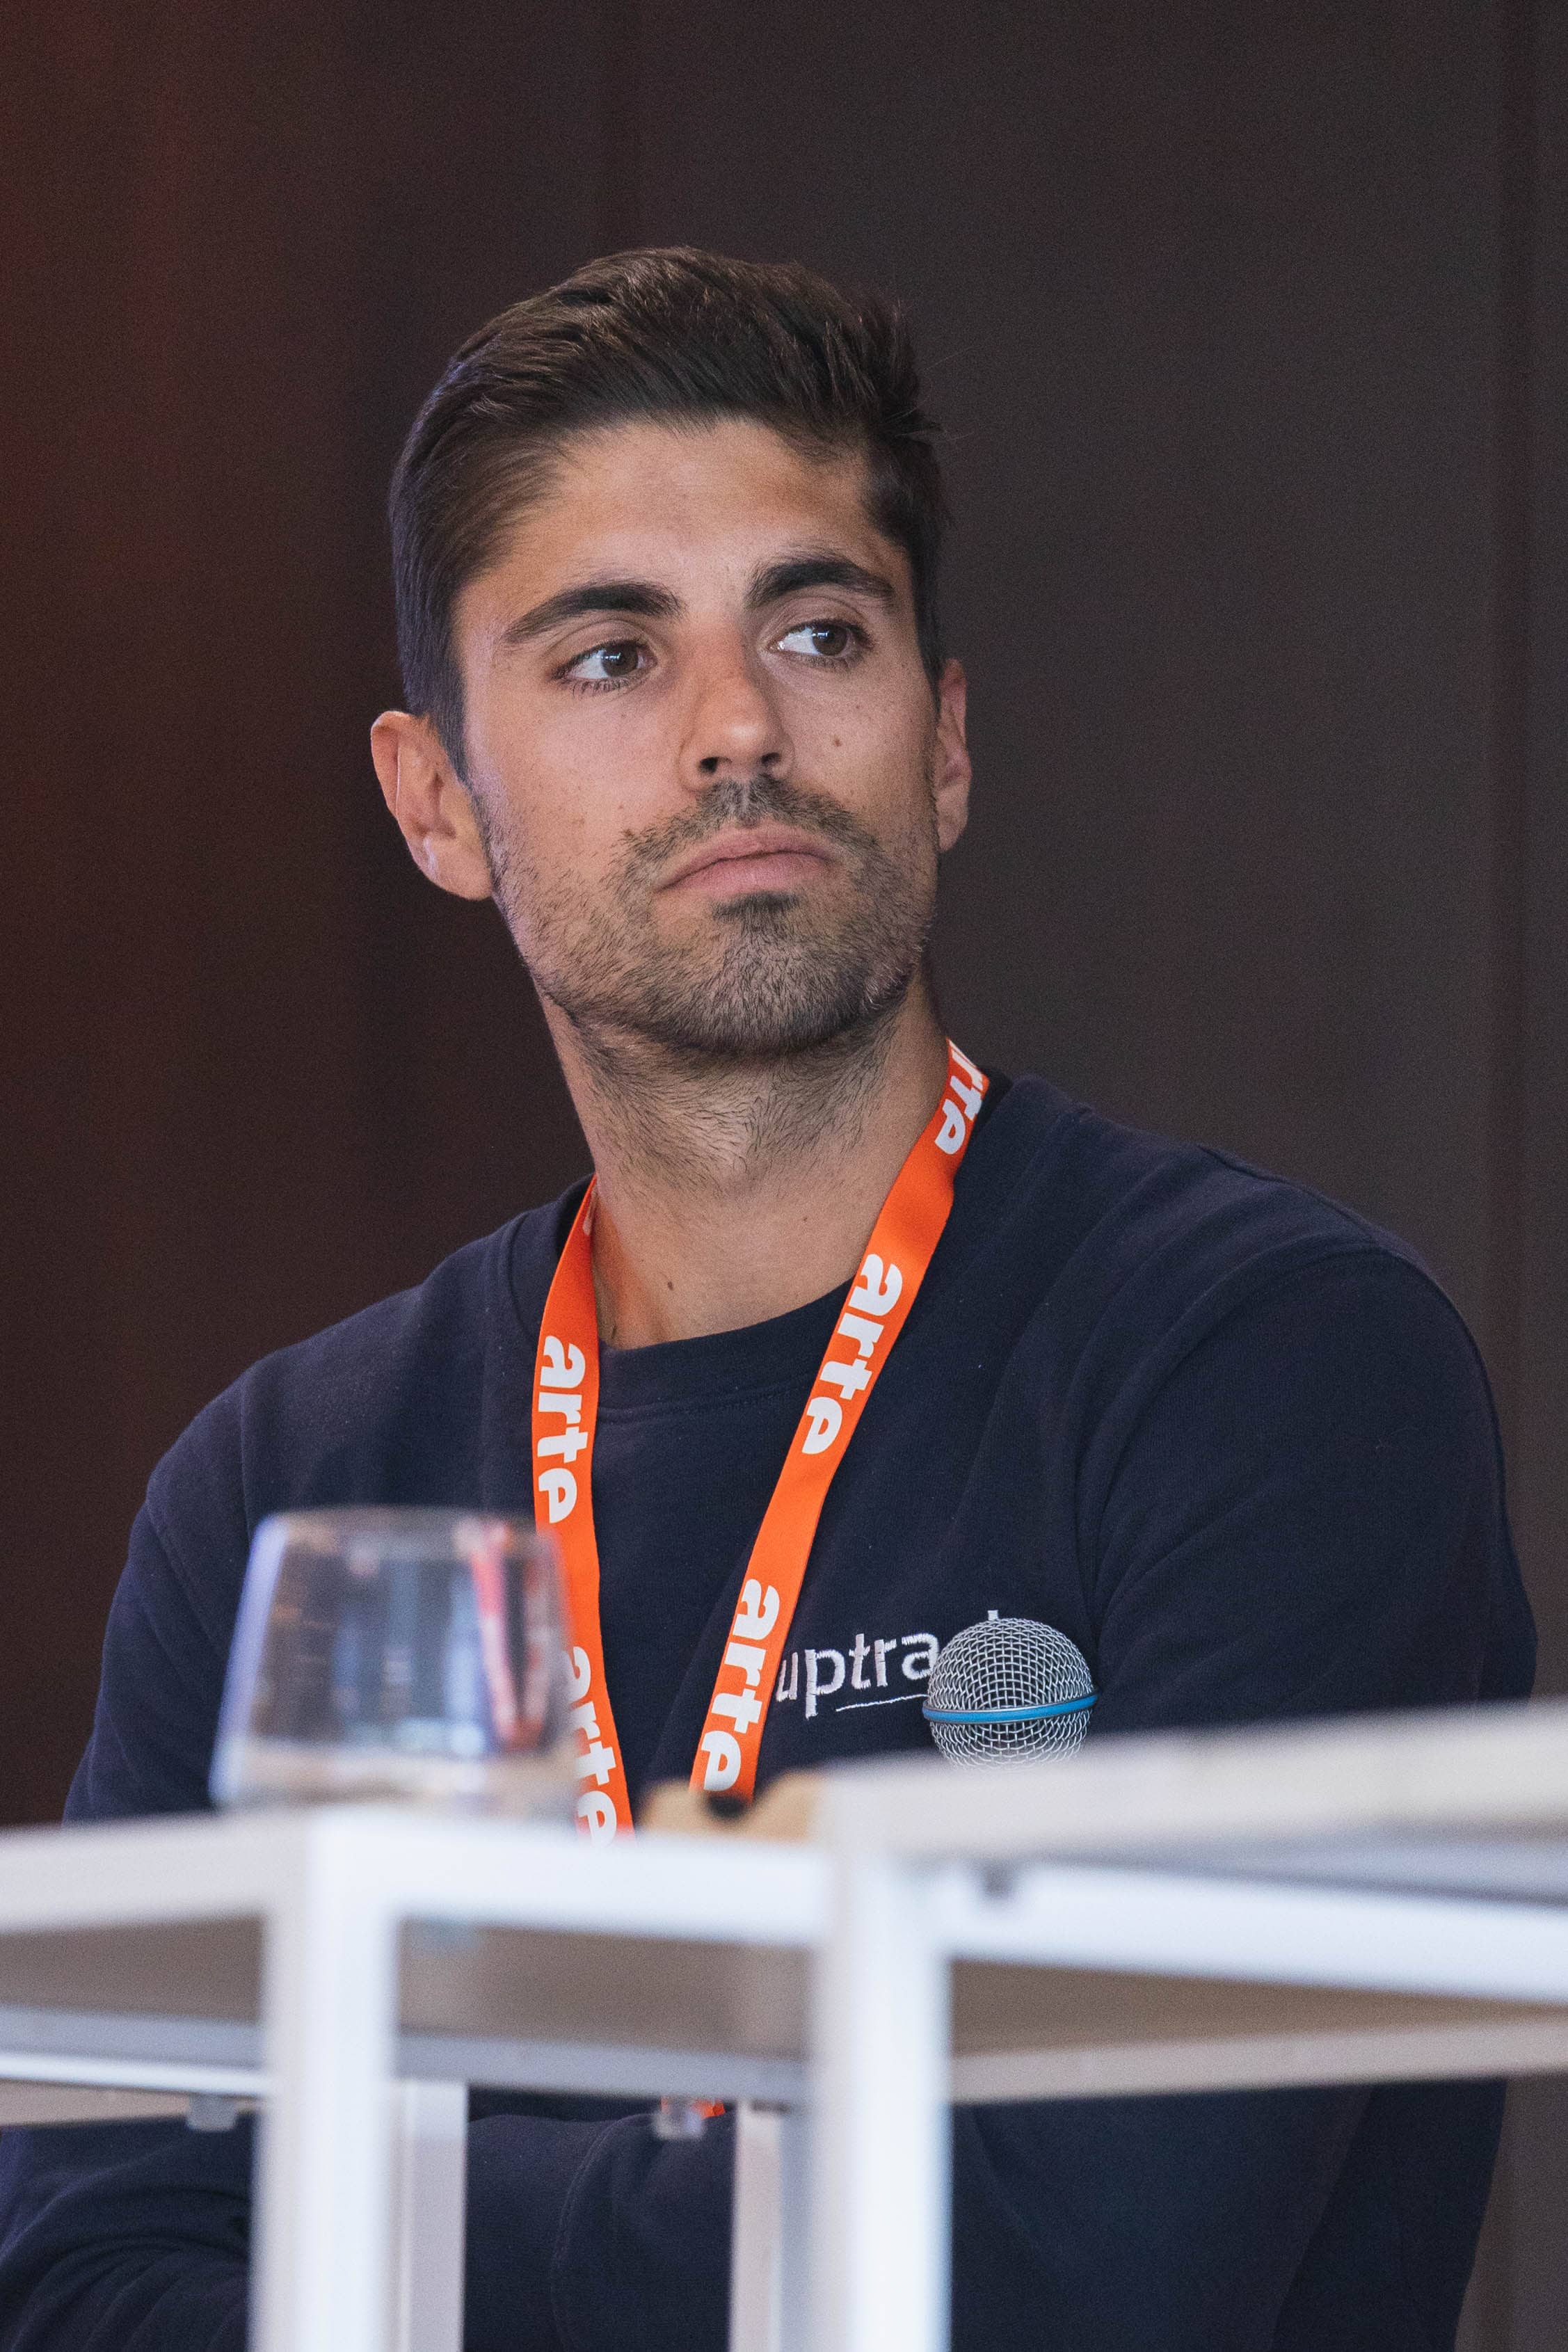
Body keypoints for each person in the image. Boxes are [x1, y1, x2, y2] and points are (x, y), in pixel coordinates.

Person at [0, 248, 1533, 2352]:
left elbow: (1092, 2275)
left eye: (818, 633)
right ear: (438, 804)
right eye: (611, 655)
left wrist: (356, 2218)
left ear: (946, 745)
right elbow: (82, 2285)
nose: (740, 727)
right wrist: (819, 2188)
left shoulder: (1269, 1371)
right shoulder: (287, 1489)